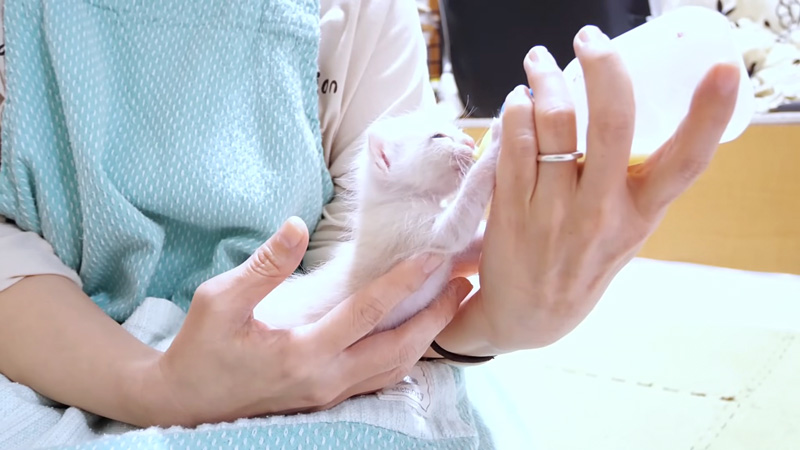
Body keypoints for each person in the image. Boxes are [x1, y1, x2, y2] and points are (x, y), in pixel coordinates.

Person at [0, 0, 739, 447]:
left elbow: (374, 281)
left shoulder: (365, 15)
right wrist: (154, 386)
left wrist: (496, 320)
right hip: (42, 355)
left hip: (341, 356)